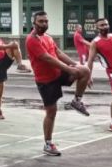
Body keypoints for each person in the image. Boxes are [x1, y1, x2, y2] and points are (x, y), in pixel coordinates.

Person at [25, 12, 91, 156]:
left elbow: (58, 53)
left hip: (58, 73)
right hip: (45, 80)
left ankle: (77, 101)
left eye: (46, 21)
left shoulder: (48, 37)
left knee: (85, 70)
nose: (44, 24)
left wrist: (75, 65)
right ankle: (48, 144)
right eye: (41, 21)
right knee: (51, 111)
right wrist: (69, 69)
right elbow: (47, 58)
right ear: (34, 23)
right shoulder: (31, 40)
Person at [0, 21, 30, 119]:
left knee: (15, 44)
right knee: (0, 90)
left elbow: (5, 48)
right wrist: (9, 46)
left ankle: (20, 65)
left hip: (3, 60)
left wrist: (10, 46)